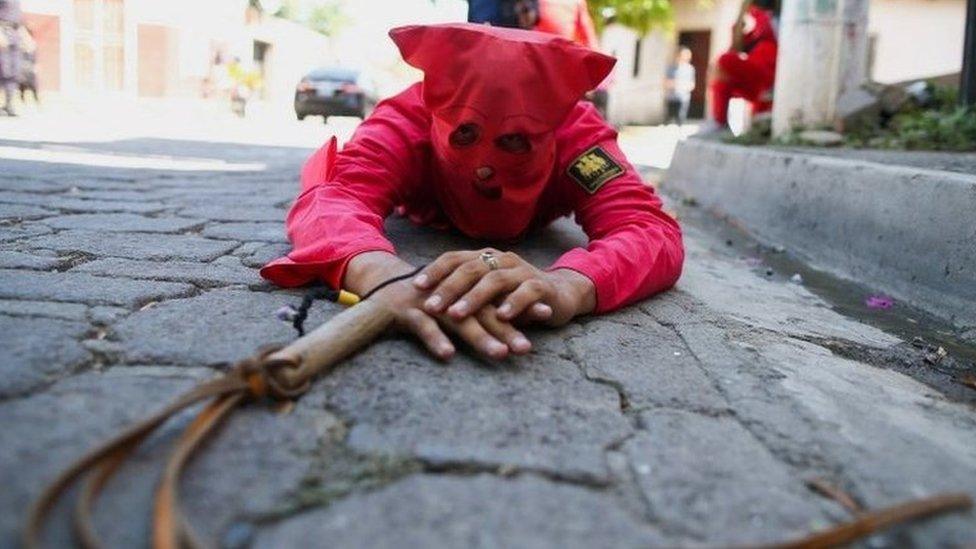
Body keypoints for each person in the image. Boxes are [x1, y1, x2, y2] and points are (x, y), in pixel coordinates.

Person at [261, 23, 684, 361]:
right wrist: (378, 273)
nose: (484, 166)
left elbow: (648, 228)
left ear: (552, 128)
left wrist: (572, 286)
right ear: (436, 113)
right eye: (465, 133)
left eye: (515, 141)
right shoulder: (406, 118)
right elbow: (335, 196)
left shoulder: (578, 133)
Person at [707, 1, 777, 130]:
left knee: (724, 60)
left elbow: (768, 30)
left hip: (770, 75)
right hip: (756, 80)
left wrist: (753, 11)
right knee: (720, 70)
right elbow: (735, 48)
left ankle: (720, 121)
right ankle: (720, 122)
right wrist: (736, 30)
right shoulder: (752, 28)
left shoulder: (771, 18)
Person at [0, 0, 22, 116]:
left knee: (14, 70)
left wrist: (24, 36)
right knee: (3, 69)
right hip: (3, 30)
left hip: (15, 33)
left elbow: (19, 17)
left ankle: (8, 105)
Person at [665, 46, 696, 126]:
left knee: (680, 118)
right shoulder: (670, 68)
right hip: (671, 97)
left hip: (683, 97)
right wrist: (673, 84)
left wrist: (683, 86)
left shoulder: (690, 69)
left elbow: (692, 84)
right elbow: (665, 82)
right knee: (668, 119)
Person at [17, 23, 37, 105]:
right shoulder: (22, 42)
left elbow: (34, 56)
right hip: (23, 65)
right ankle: (23, 101)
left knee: (33, 86)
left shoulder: (32, 43)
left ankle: (37, 102)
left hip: (29, 66)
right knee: (22, 85)